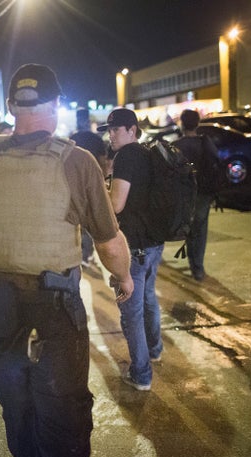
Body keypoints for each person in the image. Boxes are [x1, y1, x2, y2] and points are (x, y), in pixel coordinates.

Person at [0, 64, 133, 457]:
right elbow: (110, 243)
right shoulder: (78, 161)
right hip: (54, 309)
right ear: (56, 104)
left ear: (9, 106)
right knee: (63, 414)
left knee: (16, 405)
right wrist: (124, 278)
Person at [106, 107, 164, 391]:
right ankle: (155, 349)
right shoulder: (147, 153)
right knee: (149, 298)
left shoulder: (127, 156)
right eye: (109, 129)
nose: (111, 134)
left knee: (131, 311)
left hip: (135, 247)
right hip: (154, 243)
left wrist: (98, 194)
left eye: (115, 129)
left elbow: (116, 204)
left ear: (132, 129)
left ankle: (141, 374)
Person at [173, 109, 220, 281]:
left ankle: (192, 261)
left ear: (182, 124)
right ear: (197, 123)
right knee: (200, 229)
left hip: (184, 195)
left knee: (188, 228)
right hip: (203, 192)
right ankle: (197, 267)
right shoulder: (205, 143)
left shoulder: (177, 146)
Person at [70, 129, 112, 266]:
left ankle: (82, 253)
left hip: (73, 186)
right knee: (90, 221)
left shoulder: (71, 142)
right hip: (91, 187)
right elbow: (103, 162)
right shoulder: (97, 143)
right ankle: (86, 253)